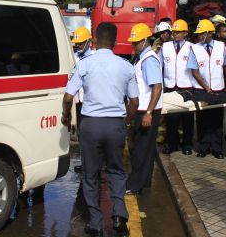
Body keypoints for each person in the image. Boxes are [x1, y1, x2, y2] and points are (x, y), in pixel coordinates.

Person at [62, 22, 139, 237]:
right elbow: (134, 102)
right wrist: (125, 122)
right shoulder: (126, 66)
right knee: (116, 171)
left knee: (90, 173)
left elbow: (68, 97)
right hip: (115, 124)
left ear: (94, 40)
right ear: (115, 41)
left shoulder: (85, 64)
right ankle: (118, 216)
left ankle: (95, 223)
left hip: (91, 124)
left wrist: (67, 115)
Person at [125, 23, 163, 195]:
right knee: (145, 148)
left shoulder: (149, 60)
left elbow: (157, 87)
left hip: (146, 111)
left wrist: (148, 112)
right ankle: (144, 181)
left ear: (145, 40)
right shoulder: (142, 58)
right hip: (143, 109)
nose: (133, 45)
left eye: (136, 42)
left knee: (140, 149)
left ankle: (134, 184)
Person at [187, 19, 226, 159]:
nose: (200, 36)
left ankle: (217, 148)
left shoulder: (221, 46)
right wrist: (206, 87)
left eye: (202, 33)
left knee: (217, 120)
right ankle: (203, 147)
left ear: (209, 33)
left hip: (218, 88)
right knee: (202, 119)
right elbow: (194, 71)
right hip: (201, 90)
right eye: (199, 34)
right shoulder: (194, 48)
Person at [161, 19, 195, 155]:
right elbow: (160, 66)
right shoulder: (165, 47)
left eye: (178, 32)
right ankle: (172, 144)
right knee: (171, 118)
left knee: (187, 118)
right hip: (170, 86)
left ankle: (187, 145)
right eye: (174, 32)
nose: (175, 34)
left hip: (186, 87)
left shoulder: (192, 47)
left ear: (185, 33)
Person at [70, 26, 94, 173]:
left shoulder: (94, 58)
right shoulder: (75, 57)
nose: (78, 45)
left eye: (81, 43)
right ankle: (85, 163)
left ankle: (94, 165)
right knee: (81, 134)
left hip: (90, 102)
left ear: (88, 42)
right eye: (77, 43)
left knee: (91, 135)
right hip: (79, 102)